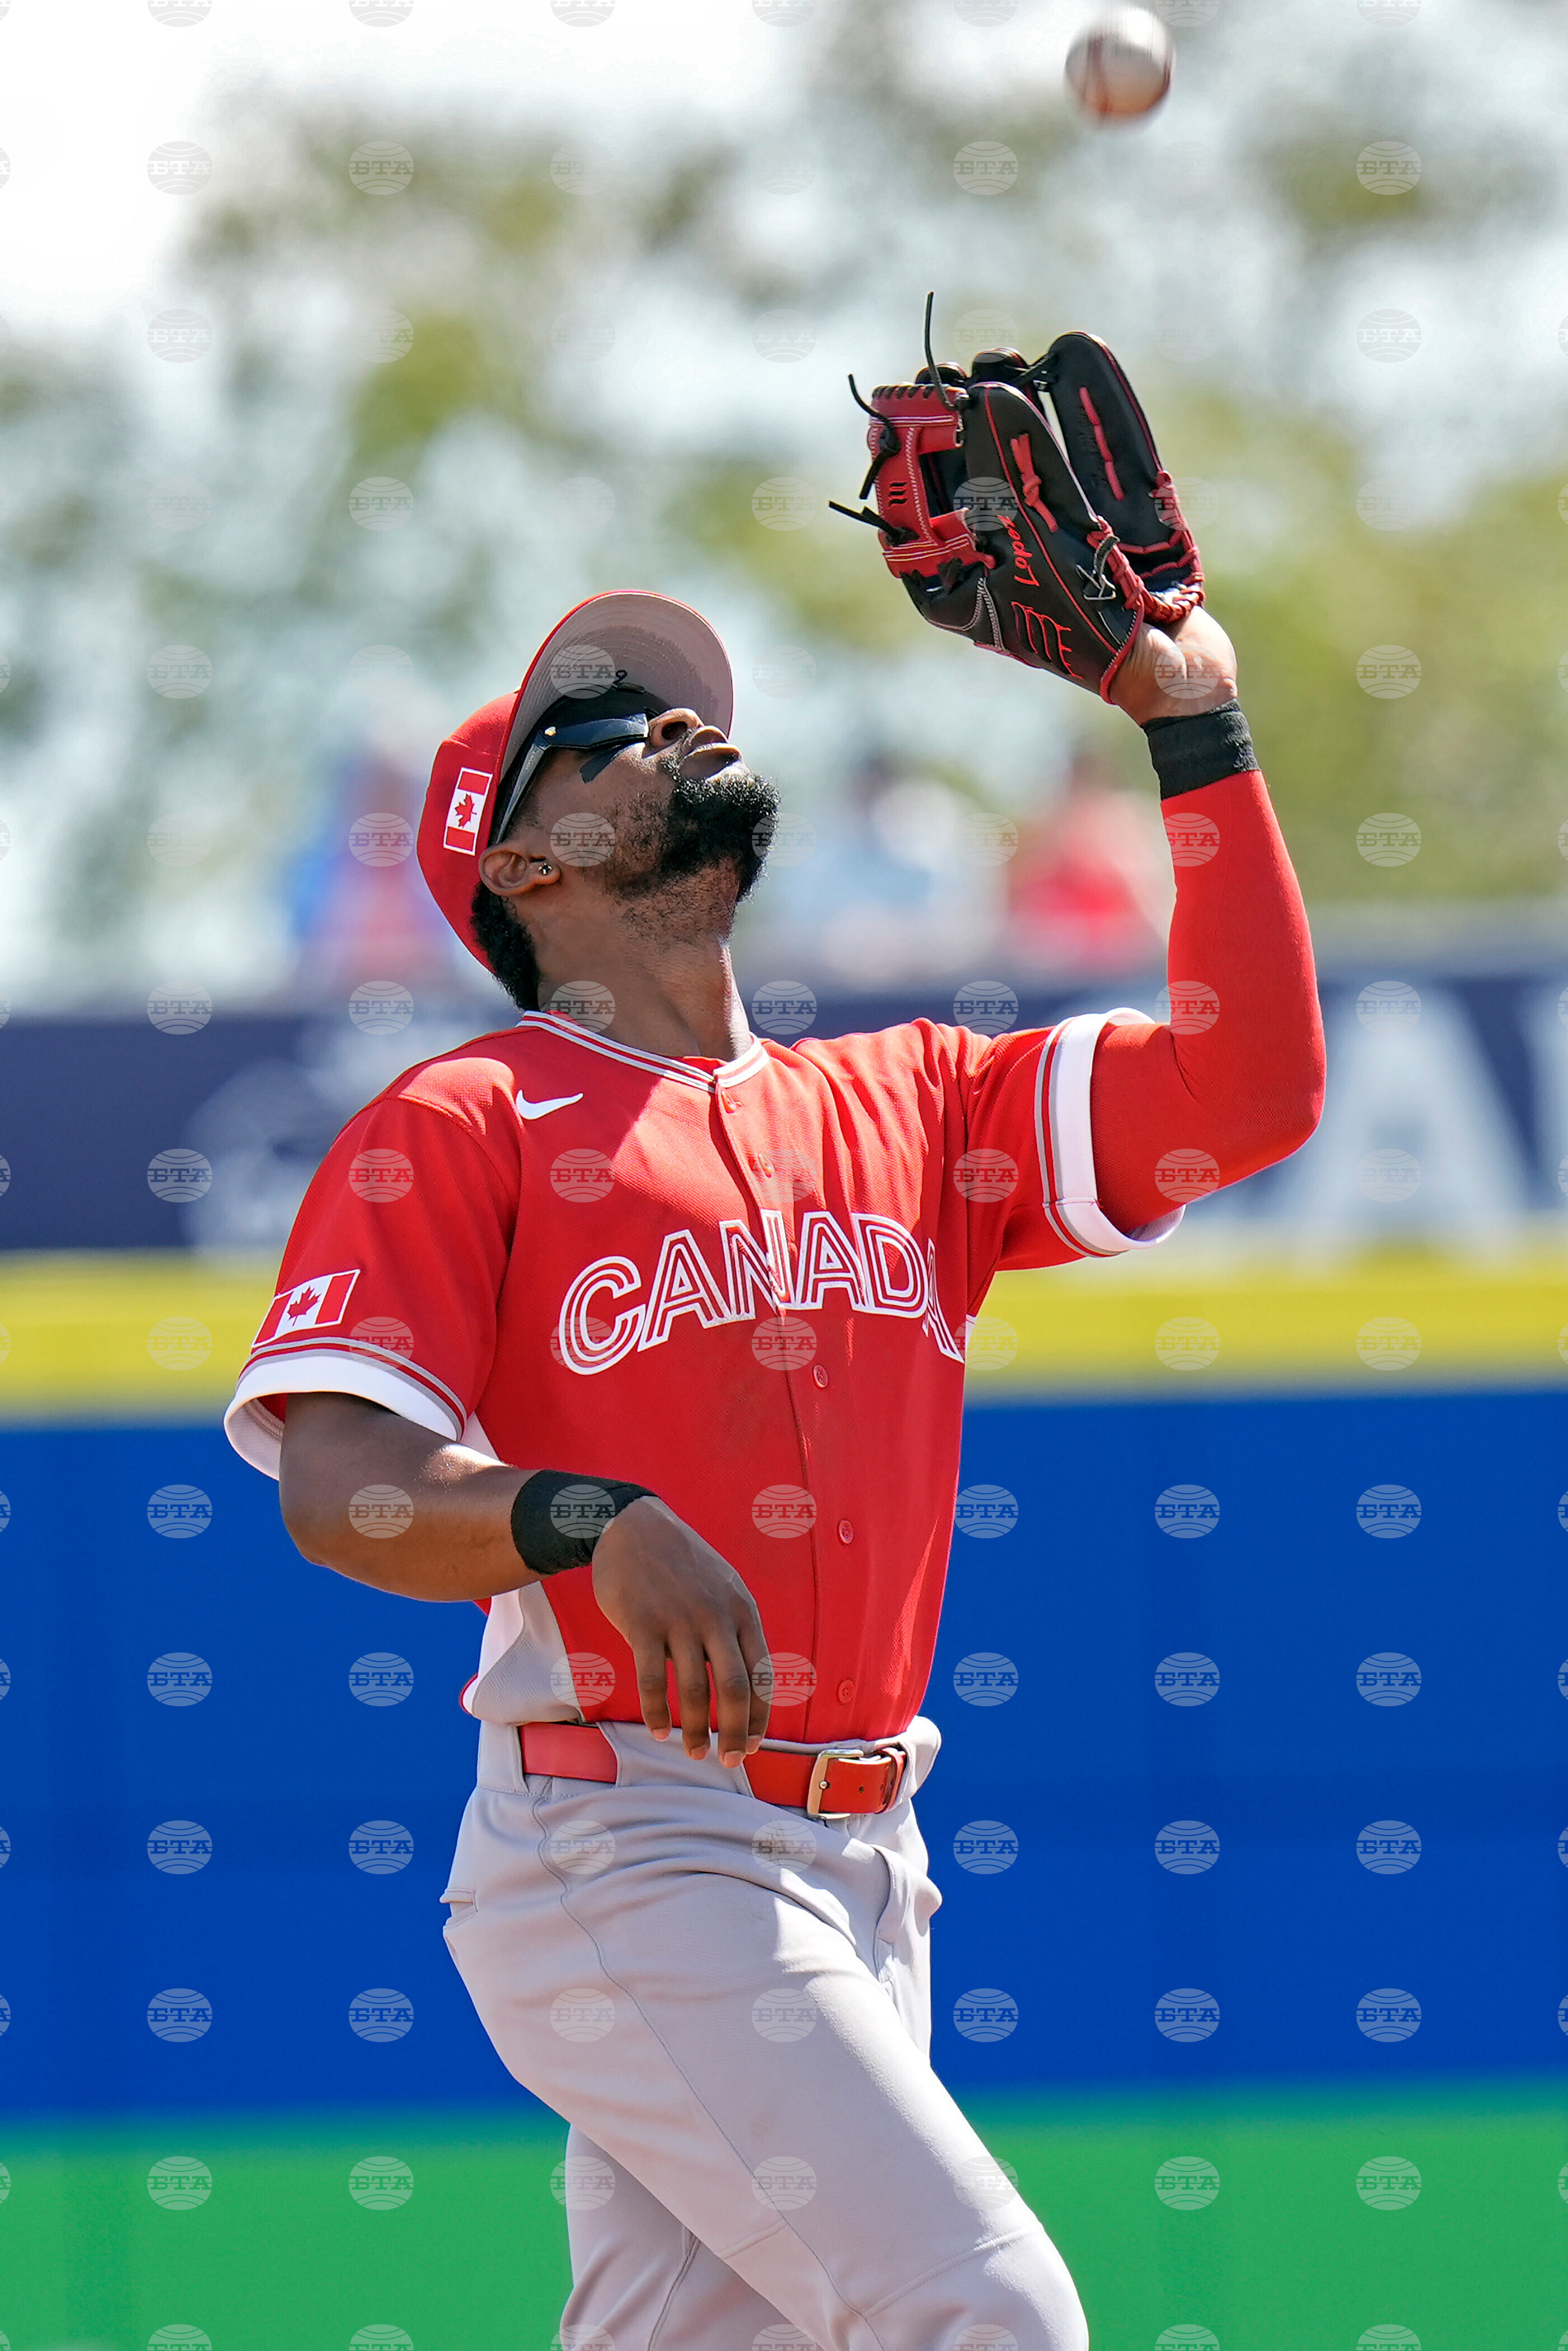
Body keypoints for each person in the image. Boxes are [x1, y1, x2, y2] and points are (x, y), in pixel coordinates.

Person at [223, 588, 1323, 2351]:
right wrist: (577, 1518)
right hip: (630, 1838)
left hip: (869, 1851)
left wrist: (1193, 729)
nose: (675, 730)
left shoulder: (922, 1101)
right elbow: (335, 1482)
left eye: (679, 712)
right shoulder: (466, 1119)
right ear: (521, 865)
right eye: (603, 734)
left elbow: (1245, 1091)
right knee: (985, 2310)